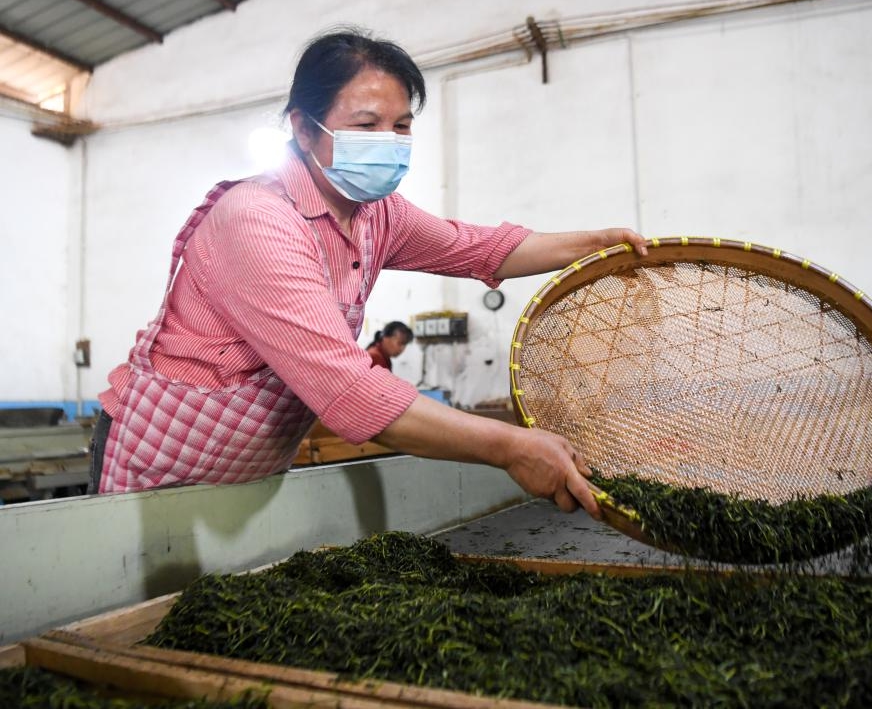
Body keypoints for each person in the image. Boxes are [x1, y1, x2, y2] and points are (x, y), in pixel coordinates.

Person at [88, 28, 647, 520]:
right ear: (303, 130)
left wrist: (594, 245)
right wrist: (511, 447)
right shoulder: (258, 219)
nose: (390, 141)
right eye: (366, 124)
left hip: (245, 476)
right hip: (162, 466)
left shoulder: (377, 214)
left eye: (402, 125)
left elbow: (479, 248)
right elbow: (351, 391)